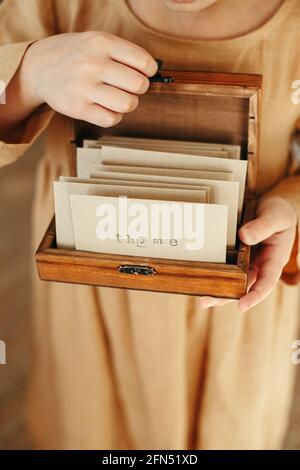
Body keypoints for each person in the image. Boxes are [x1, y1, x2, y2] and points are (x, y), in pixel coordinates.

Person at [0, 0, 299, 450]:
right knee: (84, 425)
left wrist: (293, 202)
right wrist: (30, 74)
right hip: (88, 294)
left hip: (238, 299)